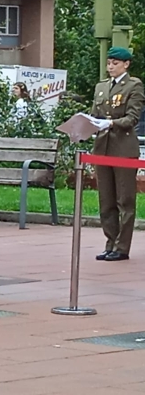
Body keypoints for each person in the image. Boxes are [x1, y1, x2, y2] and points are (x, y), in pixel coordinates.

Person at [90, 47, 145, 262]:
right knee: (106, 200)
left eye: (115, 63)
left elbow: (132, 118)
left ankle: (122, 247)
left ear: (126, 64)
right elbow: (95, 114)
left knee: (125, 199)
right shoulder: (101, 87)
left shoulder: (134, 85)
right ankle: (110, 242)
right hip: (102, 147)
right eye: (109, 63)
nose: (110, 67)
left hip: (122, 149)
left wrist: (110, 122)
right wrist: (86, 124)